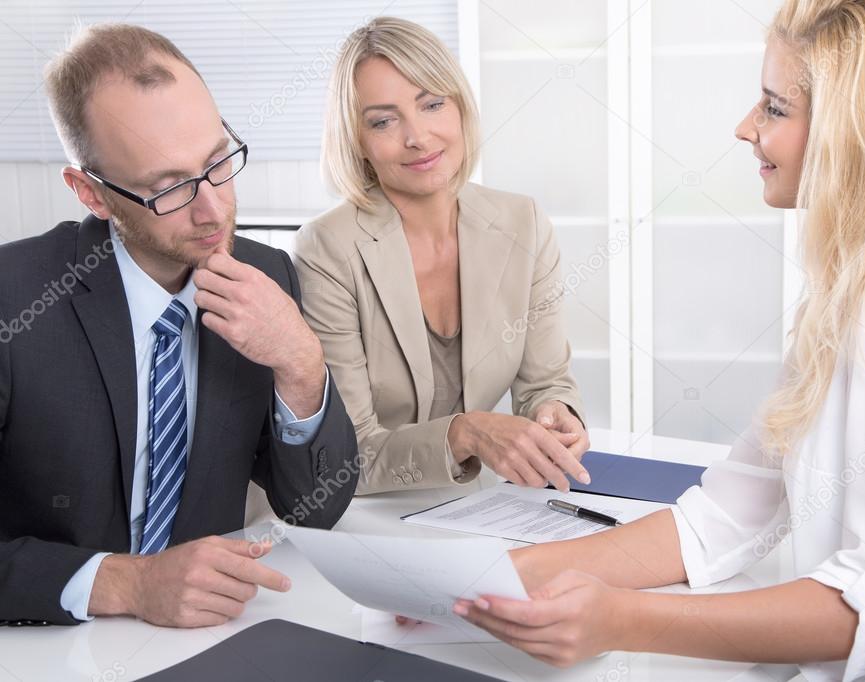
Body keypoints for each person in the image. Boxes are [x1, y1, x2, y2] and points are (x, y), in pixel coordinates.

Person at [454, 1, 865, 678]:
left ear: (858, 132)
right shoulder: (851, 290)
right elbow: (724, 515)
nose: (745, 127)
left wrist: (621, 620)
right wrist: (482, 578)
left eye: (774, 108)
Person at [0, 24, 360, 628]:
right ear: (91, 193)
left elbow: (314, 512)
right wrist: (127, 583)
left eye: (218, 162)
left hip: (210, 645)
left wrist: (301, 362)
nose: (214, 209)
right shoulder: (15, 296)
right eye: (169, 188)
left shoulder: (265, 275)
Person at [294, 17, 590, 494]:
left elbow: (546, 381)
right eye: (384, 121)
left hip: (473, 503)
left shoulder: (523, 224)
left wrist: (555, 414)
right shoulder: (327, 249)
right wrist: (465, 432)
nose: (418, 137)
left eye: (432, 104)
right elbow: (347, 456)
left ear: (459, 109)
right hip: (363, 511)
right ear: (358, 142)